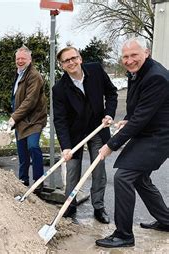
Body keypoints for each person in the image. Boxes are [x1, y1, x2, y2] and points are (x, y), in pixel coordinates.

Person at [96, 37, 169, 248]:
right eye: (125, 56)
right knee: (140, 179)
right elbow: (138, 107)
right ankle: (166, 220)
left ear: (146, 53)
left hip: (159, 136)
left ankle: (124, 234)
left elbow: (140, 119)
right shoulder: (138, 72)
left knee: (123, 177)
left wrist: (110, 145)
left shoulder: (157, 77)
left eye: (134, 55)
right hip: (148, 131)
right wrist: (127, 118)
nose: (129, 60)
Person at [53, 46, 117, 224]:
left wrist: (109, 113)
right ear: (62, 65)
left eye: (73, 58)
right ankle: (69, 206)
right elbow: (60, 120)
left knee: (98, 169)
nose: (71, 62)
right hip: (75, 134)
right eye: (66, 61)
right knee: (72, 170)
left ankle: (98, 207)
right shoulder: (59, 88)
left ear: (80, 58)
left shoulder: (95, 70)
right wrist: (66, 146)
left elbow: (111, 93)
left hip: (97, 127)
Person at [8, 46, 47, 192]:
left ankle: (38, 182)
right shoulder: (19, 74)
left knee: (33, 146)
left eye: (23, 58)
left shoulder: (34, 75)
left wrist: (14, 117)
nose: (20, 61)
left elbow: (30, 100)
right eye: (18, 58)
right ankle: (23, 181)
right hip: (21, 120)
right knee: (22, 152)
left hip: (34, 119)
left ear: (29, 60)